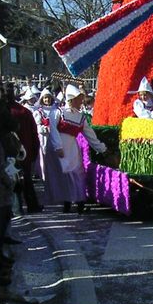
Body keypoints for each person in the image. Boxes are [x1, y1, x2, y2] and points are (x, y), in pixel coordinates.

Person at [45, 84, 106, 214]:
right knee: (64, 175)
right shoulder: (57, 112)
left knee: (77, 174)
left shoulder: (80, 116)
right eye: (79, 99)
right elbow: (53, 130)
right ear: (72, 99)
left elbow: (90, 135)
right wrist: (58, 147)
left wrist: (102, 149)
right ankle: (66, 203)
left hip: (72, 149)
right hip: (60, 149)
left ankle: (80, 202)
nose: (81, 102)